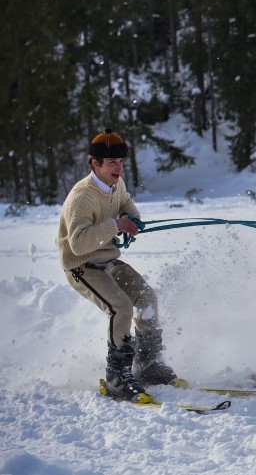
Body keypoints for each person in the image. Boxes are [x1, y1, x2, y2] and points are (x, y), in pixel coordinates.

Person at [57, 130, 181, 402]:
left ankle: (147, 365)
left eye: (121, 162)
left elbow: (126, 204)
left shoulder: (117, 185)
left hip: (108, 258)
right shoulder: (82, 197)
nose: (118, 167)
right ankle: (117, 377)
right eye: (111, 162)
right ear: (95, 164)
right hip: (82, 265)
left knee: (147, 298)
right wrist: (115, 225)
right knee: (120, 307)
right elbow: (77, 243)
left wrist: (131, 218)